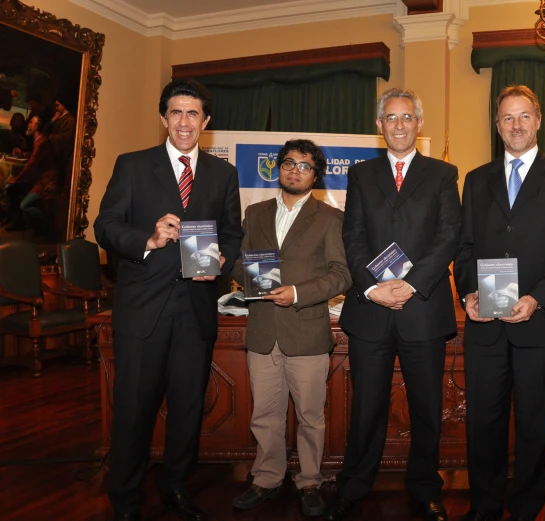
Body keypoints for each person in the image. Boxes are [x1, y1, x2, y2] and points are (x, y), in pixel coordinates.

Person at [93, 78, 243, 521]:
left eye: (193, 113)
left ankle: (176, 486)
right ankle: (124, 496)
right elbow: (105, 226)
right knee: (134, 411)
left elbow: (232, 233)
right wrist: (148, 239)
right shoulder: (133, 166)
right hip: (143, 313)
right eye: (175, 112)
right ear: (163, 118)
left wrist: (222, 258)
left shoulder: (223, 174)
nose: (184, 122)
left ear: (206, 121)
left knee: (188, 409)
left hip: (196, 312)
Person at [324, 88, 462, 521]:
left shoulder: (442, 173)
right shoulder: (362, 175)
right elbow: (353, 236)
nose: (399, 125)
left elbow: (448, 237)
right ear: (379, 126)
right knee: (366, 406)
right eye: (390, 118)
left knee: (425, 406)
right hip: (371, 309)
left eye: (407, 118)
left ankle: (424, 486)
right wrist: (374, 288)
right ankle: (354, 485)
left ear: (419, 125)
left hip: (422, 308)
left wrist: (410, 285)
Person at [453, 85, 545, 521]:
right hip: (486, 325)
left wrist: (537, 298)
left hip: (541, 322)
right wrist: (468, 291)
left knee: (537, 423)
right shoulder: (476, 180)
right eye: (507, 118)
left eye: (524, 116)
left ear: (539, 119)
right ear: (497, 126)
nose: (516, 125)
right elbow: (465, 247)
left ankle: (528, 506)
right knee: (484, 423)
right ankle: (485, 505)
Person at [229, 139, 351, 517]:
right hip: (263, 330)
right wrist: (248, 277)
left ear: (317, 175)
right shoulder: (256, 212)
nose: (294, 170)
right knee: (264, 414)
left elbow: (341, 275)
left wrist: (298, 292)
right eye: (288, 163)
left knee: (310, 416)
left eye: (304, 165)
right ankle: (266, 478)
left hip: (306, 331)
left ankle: (310, 480)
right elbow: (238, 263)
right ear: (277, 168)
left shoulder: (331, 218)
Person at [4, 115, 58, 232]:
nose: (28, 124)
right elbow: (35, 155)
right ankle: (19, 221)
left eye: (31, 123)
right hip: (41, 179)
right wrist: (23, 154)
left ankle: (47, 227)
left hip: (47, 181)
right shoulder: (38, 139)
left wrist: (17, 178)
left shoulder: (41, 141)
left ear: (37, 126)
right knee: (12, 189)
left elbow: (32, 163)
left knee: (23, 203)